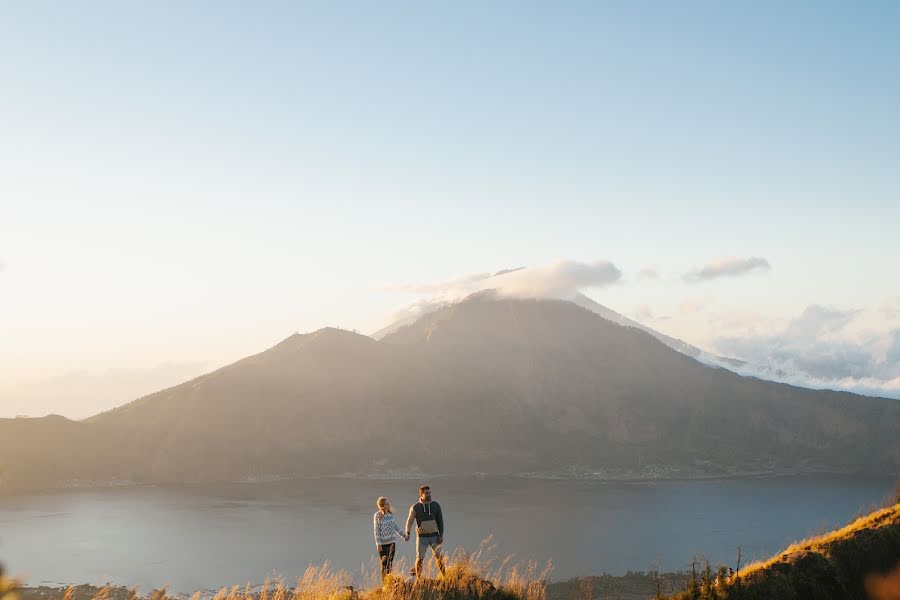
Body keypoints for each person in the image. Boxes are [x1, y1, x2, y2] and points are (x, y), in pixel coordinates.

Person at [405, 485, 446, 579]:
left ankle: (444, 577)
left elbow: (440, 521)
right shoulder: (415, 507)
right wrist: (407, 533)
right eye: (427, 493)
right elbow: (410, 521)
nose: (429, 494)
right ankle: (419, 579)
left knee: (439, 557)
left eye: (430, 493)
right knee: (420, 558)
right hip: (421, 537)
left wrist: (441, 535)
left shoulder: (436, 505)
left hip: (435, 536)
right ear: (421, 495)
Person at [374, 496, 408, 581]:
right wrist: (378, 544)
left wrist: (404, 535)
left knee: (390, 563)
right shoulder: (377, 515)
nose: (389, 504)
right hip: (382, 544)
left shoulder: (390, 514)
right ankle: (384, 582)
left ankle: (389, 581)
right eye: (387, 503)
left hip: (392, 542)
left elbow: (395, 526)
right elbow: (376, 530)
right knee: (384, 563)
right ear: (382, 505)